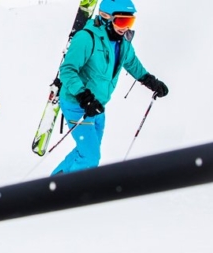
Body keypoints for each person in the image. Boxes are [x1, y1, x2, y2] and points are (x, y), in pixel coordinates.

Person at [51, 0, 168, 175]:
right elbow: (67, 70)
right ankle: (64, 192)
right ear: (106, 17)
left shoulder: (123, 43)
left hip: (98, 106)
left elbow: (132, 64)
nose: (125, 28)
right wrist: (84, 97)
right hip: (77, 104)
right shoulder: (86, 38)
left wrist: (150, 81)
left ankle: (56, 182)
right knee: (90, 156)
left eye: (130, 22)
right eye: (121, 21)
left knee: (88, 152)